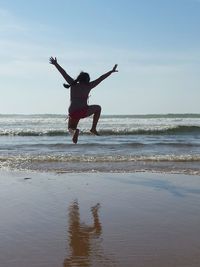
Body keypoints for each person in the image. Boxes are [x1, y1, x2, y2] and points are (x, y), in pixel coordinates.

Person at [49, 57, 118, 143]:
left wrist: (56, 64)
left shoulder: (73, 84)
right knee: (98, 108)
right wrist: (111, 71)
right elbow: (101, 78)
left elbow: (64, 73)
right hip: (84, 111)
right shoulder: (89, 86)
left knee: (71, 128)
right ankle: (93, 128)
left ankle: (75, 132)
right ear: (87, 79)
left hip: (73, 111)